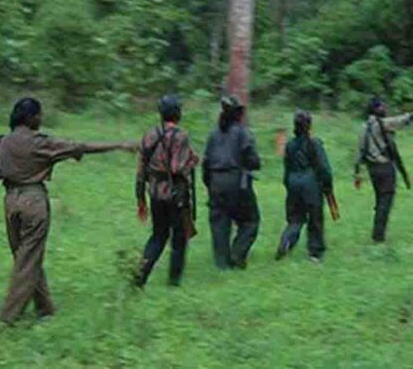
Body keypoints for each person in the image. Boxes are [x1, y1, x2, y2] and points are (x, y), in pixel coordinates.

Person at [0, 97, 136, 324]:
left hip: (10, 200)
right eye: (39, 115)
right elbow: (81, 147)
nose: (41, 119)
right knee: (28, 258)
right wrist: (119, 145)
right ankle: (8, 318)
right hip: (34, 200)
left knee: (25, 255)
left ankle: (45, 309)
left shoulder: (0, 142)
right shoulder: (41, 143)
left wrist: (9, 168)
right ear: (31, 118)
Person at [133, 95, 199, 287]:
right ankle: (173, 282)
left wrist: (140, 199)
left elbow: (141, 170)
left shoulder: (150, 134)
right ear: (178, 113)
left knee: (158, 236)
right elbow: (177, 168)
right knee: (179, 238)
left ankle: (140, 275)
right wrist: (193, 161)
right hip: (176, 195)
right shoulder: (181, 136)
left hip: (155, 194)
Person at [202, 96, 261, 270]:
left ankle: (222, 263)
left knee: (219, 223)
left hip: (215, 182)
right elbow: (253, 160)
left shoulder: (213, 134)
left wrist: (209, 184)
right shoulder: (242, 133)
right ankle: (237, 254)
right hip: (236, 182)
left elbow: (206, 163)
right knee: (250, 221)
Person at [275, 110, 333, 262]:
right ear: (309, 125)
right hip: (311, 184)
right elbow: (323, 167)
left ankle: (286, 240)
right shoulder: (315, 143)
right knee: (315, 218)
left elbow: (287, 167)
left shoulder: (289, 145)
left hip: (293, 182)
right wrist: (328, 184)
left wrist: (288, 184)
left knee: (295, 218)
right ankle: (315, 253)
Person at [354, 97, 413, 243]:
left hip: (372, 169)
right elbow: (401, 120)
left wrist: (357, 174)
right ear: (376, 109)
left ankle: (378, 232)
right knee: (385, 201)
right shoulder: (383, 123)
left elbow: (360, 152)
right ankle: (378, 235)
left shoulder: (364, 127)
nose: (385, 108)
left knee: (380, 199)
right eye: (382, 106)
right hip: (385, 167)